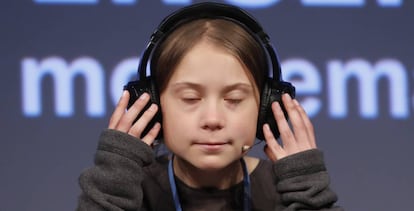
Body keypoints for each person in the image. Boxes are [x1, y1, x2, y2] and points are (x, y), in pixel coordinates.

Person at [77, 2, 342, 211]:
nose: (213, 119)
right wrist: (113, 182)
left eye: (234, 100)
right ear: (155, 104)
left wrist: (308, 194)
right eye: (191, 99)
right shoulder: (129, 190)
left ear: (265, 106)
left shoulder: (288, 190)